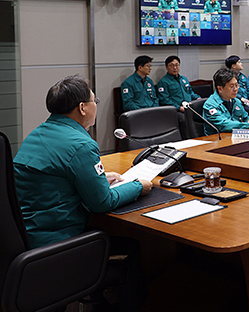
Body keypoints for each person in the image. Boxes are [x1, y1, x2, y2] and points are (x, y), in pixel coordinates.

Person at [13, 76, 152, 310]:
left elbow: (54, 179)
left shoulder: (37, 134)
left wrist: (97, 179)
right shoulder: (81, 143)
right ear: (82, 107)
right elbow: (102, 202)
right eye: (94, 100)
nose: (96, 105)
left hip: (26, 240)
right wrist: (139, 186)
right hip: (58, 244)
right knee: (132, 247)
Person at [203, 68, 249, 134]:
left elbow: (245, 117)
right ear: (220, 89)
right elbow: (224, 125)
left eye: (237, 85)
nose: (236, 89)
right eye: (232, 86)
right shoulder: (210, 105)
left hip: (235, 137)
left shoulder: (236, 101)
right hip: (217, 141)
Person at [156, 55, 201, 137]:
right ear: (166, 67)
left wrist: (198, 98)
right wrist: (179, 108)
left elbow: (190, 93)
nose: (175, 68)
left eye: (177, 65)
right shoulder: (163, 82)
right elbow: (164, 100)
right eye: (171, 65)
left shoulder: (184, 79)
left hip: (190, 108)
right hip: (176, 111)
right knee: (185, 120)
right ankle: (189, 139)